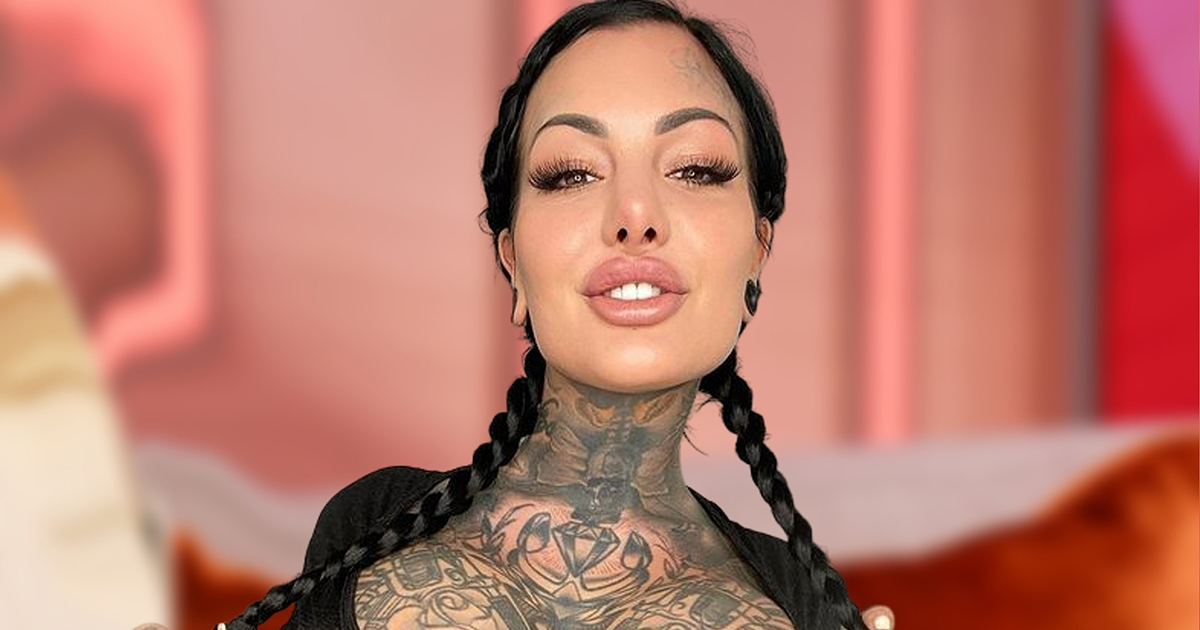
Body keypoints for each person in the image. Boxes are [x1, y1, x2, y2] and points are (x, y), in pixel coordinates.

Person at [219, 1, 892, 629]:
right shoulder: (370, 525)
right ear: (512, 261)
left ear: (756, 252)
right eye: (571, 173)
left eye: (695, 169)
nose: (636, 216)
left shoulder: (803, 608)